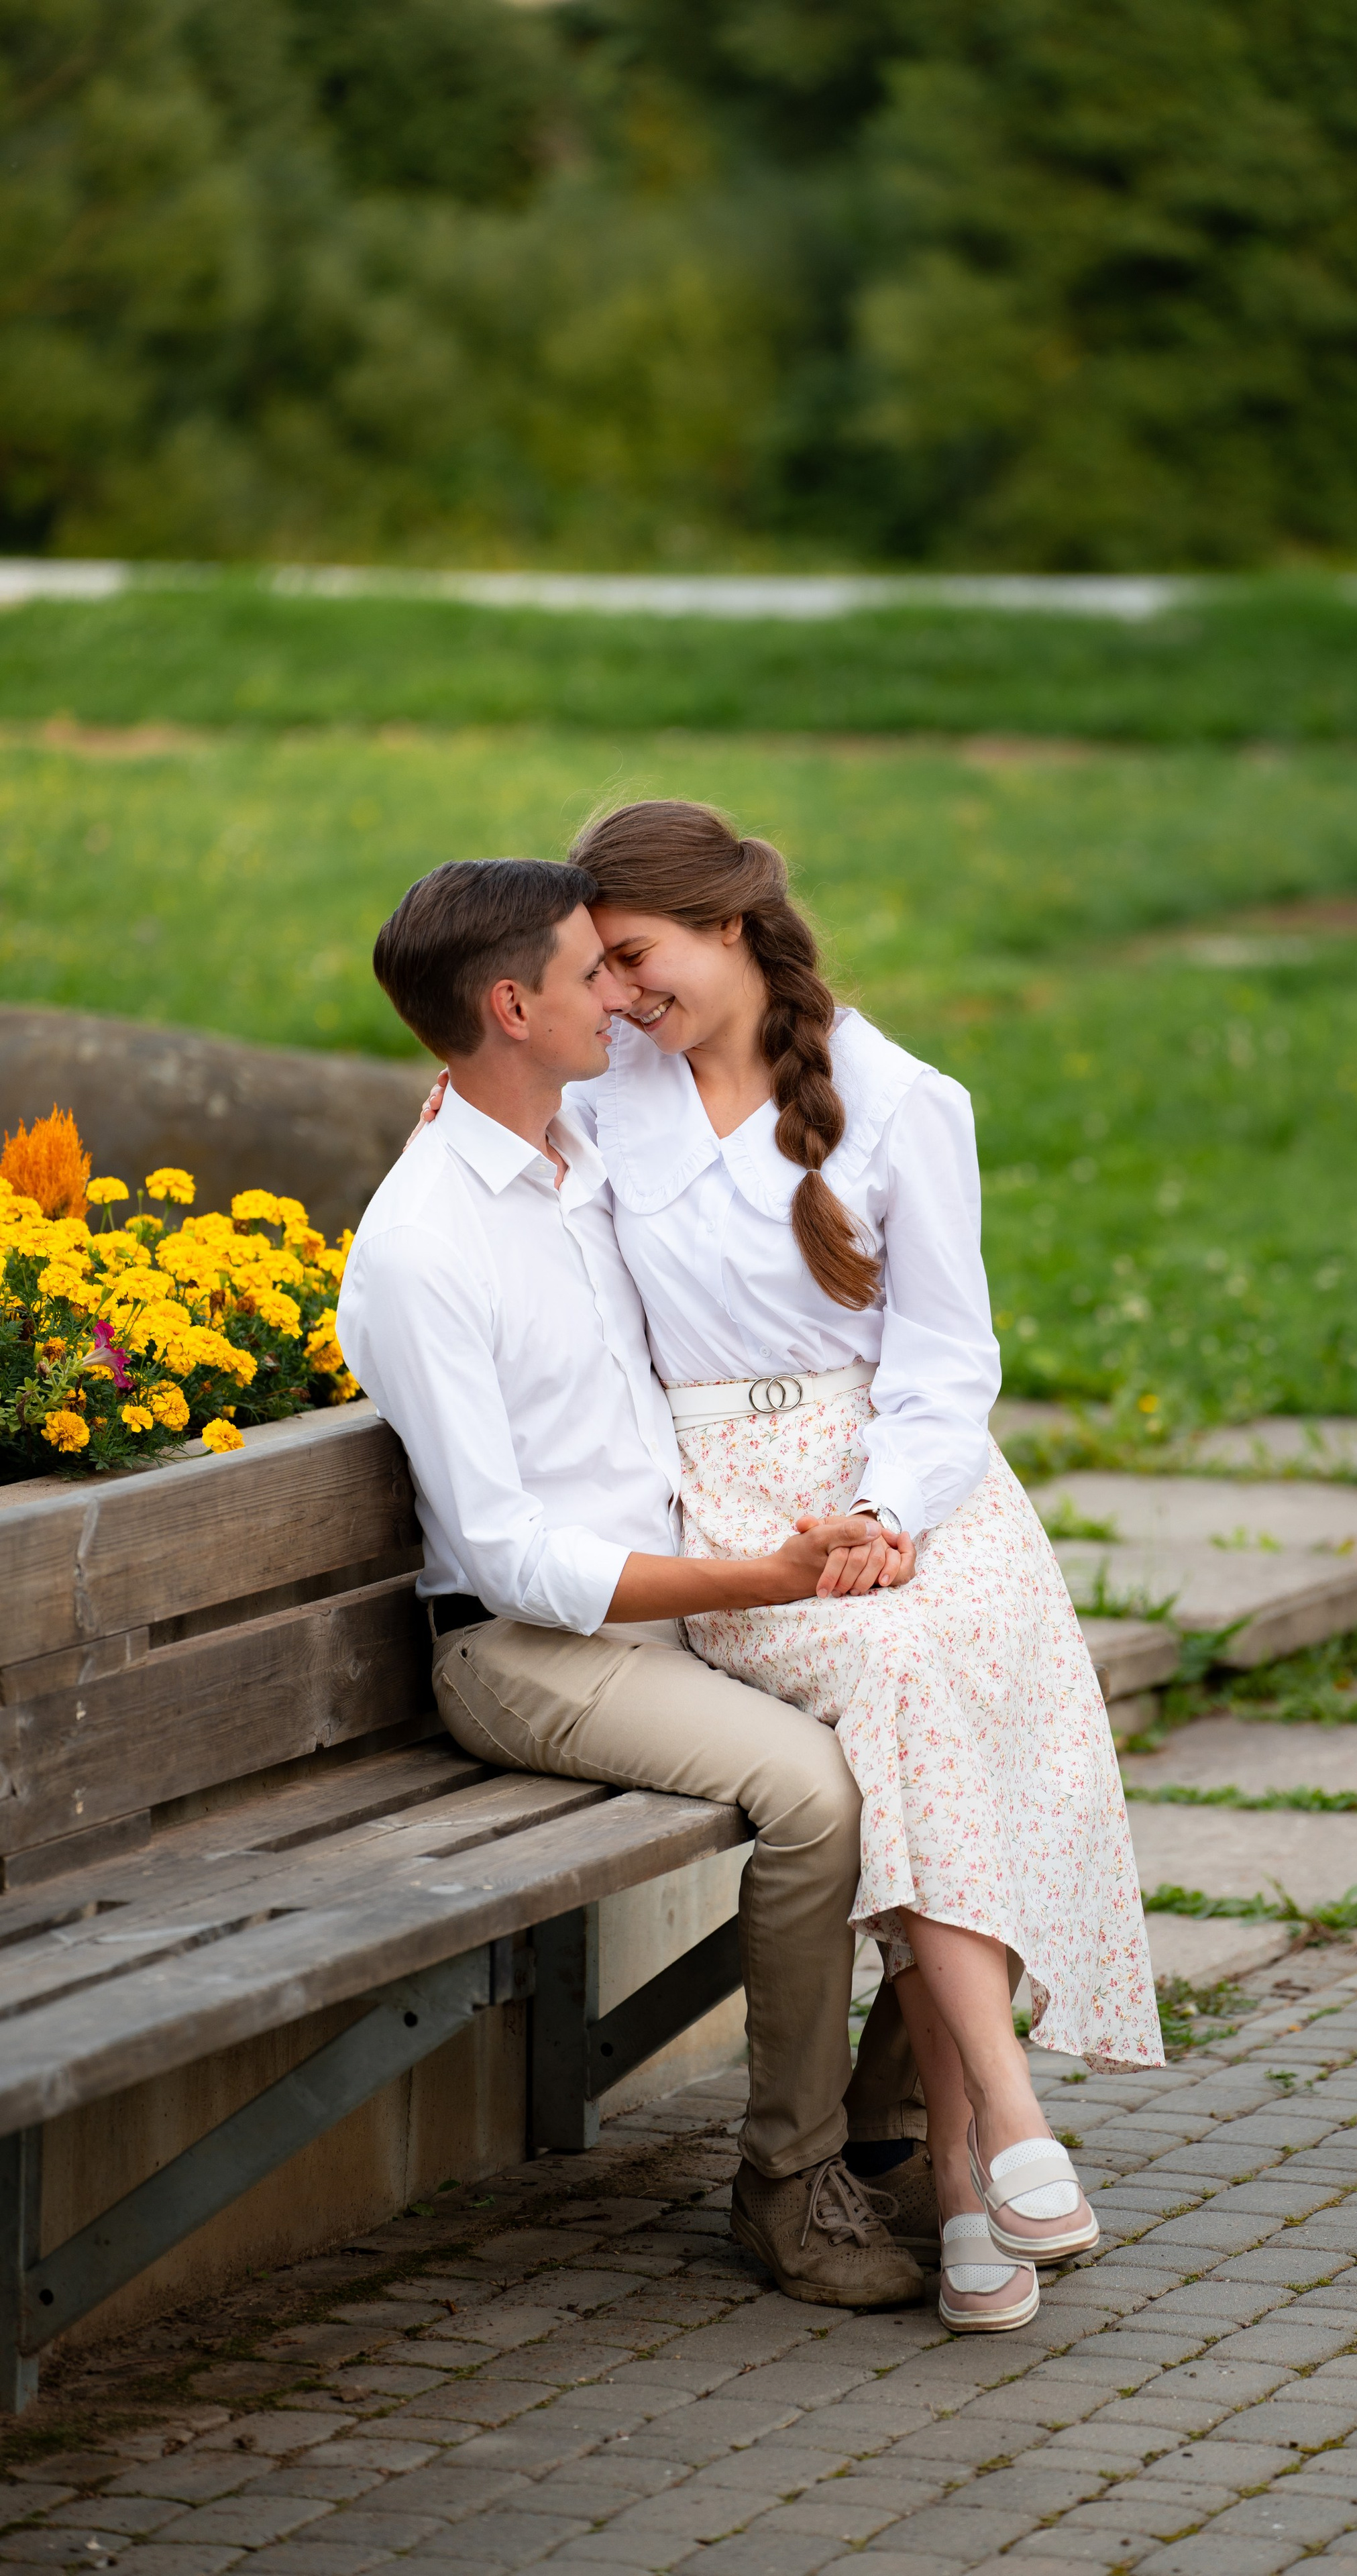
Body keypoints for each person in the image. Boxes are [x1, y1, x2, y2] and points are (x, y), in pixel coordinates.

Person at [567, 800, 1162, 2333]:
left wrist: (892, 1513)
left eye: (635, 957)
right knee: (901, 1676)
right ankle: (1002, 2126)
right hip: (740, 1524)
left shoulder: (899, 1101)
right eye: (600, 968)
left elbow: (947, 1360)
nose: (618, 993)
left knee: (943, 1672)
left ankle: (962, 2185)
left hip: (915, 1492)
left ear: (729, 925)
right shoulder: (603, 1097)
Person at [336, 855, 929, 2312]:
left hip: (671, 1608)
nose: (623, 992)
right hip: (528, 1650)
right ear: (512, 1006)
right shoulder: (424, 1245)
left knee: (957, 1703)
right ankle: (787, 2184)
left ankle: (895, 2125)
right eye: (592, 972)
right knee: (815, 1792)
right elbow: (501, 1552)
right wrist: (750, 1574)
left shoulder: (578, 1151)